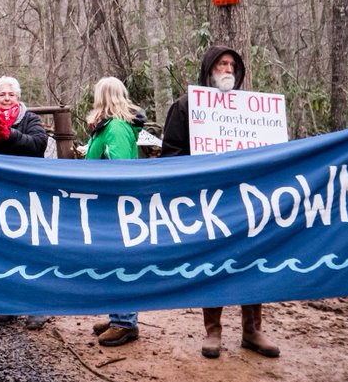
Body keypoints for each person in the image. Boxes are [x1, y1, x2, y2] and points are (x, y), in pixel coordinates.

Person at [161, 46, 280, 359]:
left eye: (231, 64)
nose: (227, 69)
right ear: (208, 69)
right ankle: (213, 331)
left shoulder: (253, 110)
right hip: (207, 203)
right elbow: (170, 154)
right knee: (213, 263)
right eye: (220, 64)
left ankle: (252, 329)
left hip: (249, 201)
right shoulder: (186, 106)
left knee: (253, 261)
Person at [0, 76, 50, 329]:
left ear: (18, 98)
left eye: (11, 95)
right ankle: (7, 305)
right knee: (2, 249)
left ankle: (37, 306)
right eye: (1, 95)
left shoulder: (30, 120)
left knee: (31, 248)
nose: (6, 98)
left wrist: (11, 134)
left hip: (27, 193)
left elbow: (38, 145)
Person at [85, 77, 146, 347]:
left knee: (121, 262)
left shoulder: (117, 127)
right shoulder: (105, 127)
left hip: (116, 206)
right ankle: (117, 316)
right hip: (105, 204)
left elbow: (118, 169)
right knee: (110, 262)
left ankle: (125, 322)